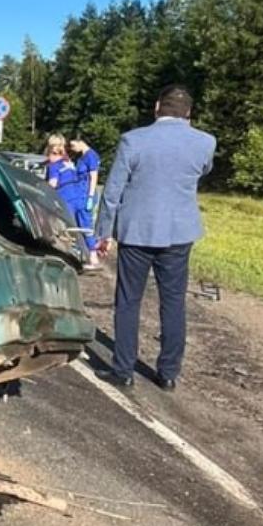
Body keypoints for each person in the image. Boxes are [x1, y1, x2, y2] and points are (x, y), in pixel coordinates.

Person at [94, 85, 216, 391]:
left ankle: (123, 370)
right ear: (188, 112)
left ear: (156, 107)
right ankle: (168, 373)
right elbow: (202, 171)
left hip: (137, 231)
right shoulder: (205, 142)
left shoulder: (133, 140)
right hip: (179, 232)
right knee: (173, 302)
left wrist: (103, 233)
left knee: (128, 301)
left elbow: (112, 193)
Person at [68, 137, 103, 269]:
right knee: (77, 224)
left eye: (73, 145)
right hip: (79, 194)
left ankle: (93, 257)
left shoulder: (91, 156)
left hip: (85, 195)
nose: (72, 148)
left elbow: (94, 177)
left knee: (85, 224)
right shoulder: (81, 157)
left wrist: (90, 196)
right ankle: (82, 255)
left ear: (80, 141)